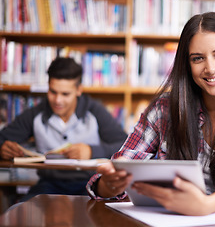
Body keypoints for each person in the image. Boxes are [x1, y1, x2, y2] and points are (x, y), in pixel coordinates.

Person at [86, 12, 215, 216]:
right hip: (164, 218)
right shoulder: (163, 110)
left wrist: (205, 205)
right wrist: (110, 184)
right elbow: (123, 165)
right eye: (198, 58)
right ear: (187, 65)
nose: (210, 68)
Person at [0, 57, 128, 201]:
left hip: (90, 186)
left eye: (65, 94)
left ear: (79, 90)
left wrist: (91, 151)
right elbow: (2, 138)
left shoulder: (95, 111)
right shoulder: (36, 113)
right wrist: (2, 149)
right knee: (18, 213)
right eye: (53, 92)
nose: (57, 100)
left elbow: (125, 146)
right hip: (48, 186)